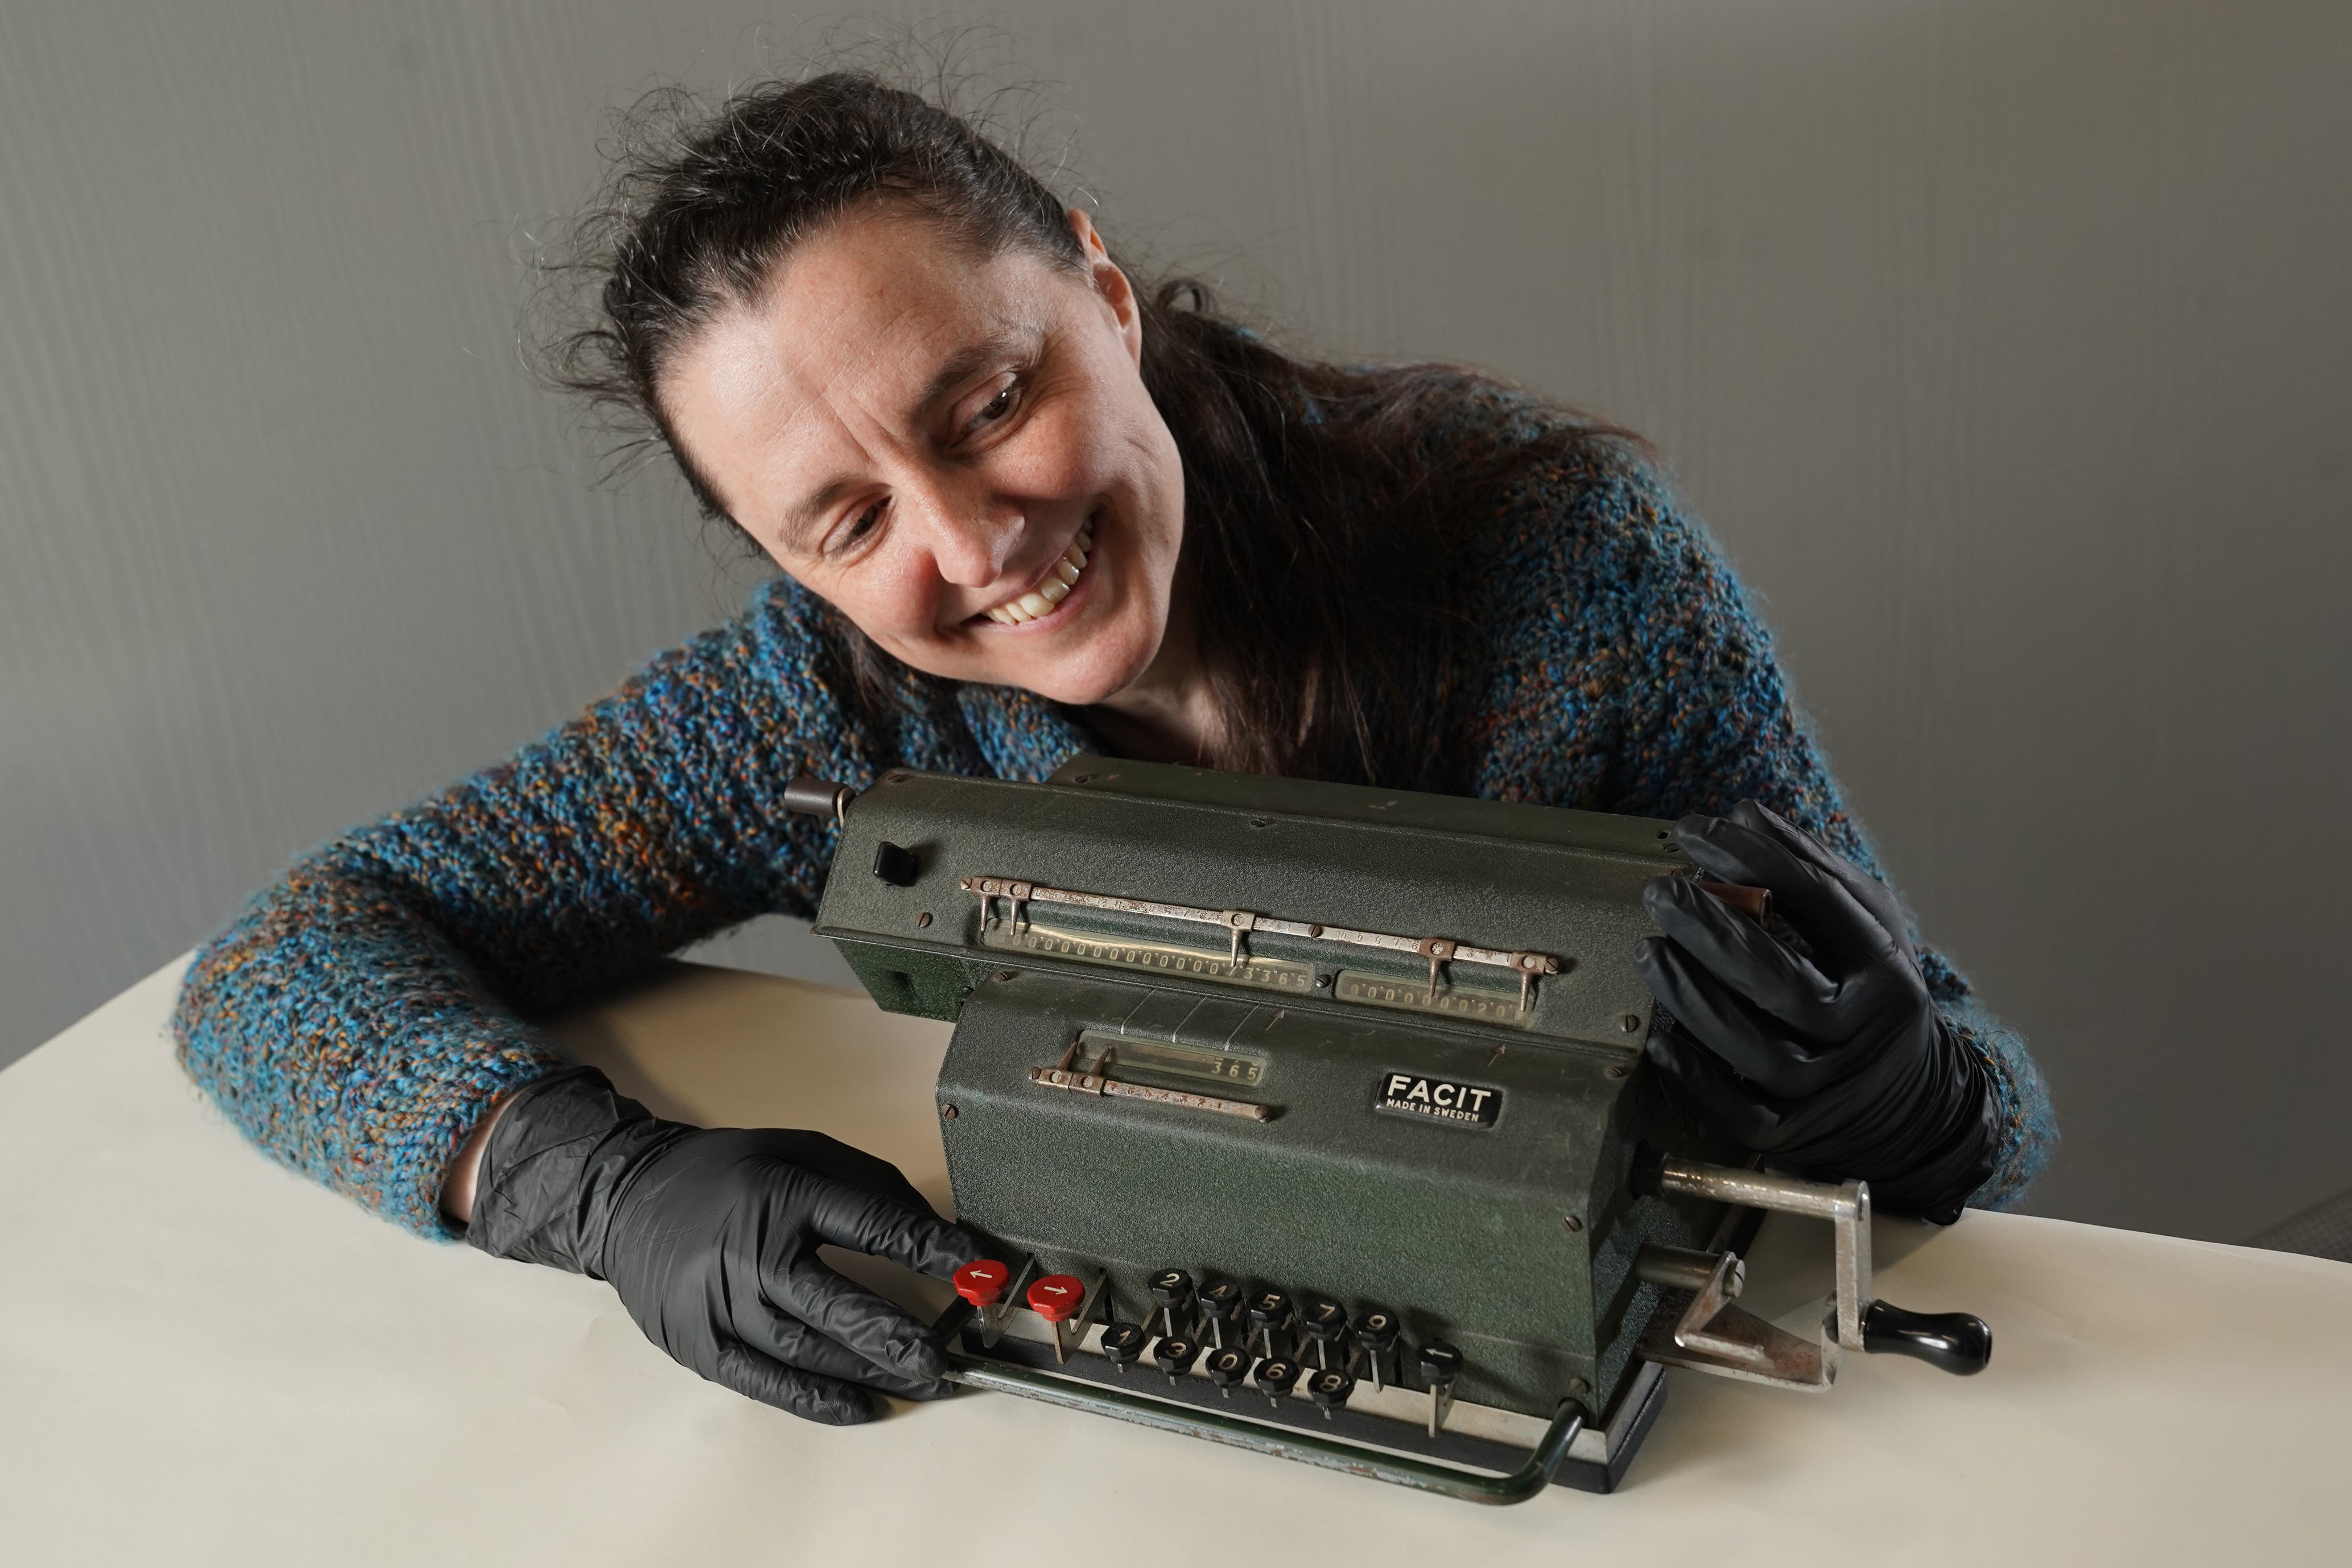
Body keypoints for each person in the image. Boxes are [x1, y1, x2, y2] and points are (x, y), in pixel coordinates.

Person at [172, 71, 2055, 1428]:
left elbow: (1995, 1113)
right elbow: (278, 964)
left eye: (991, 399)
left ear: (1102, 287)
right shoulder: (812, 700)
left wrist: (1907, 1102)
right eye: (843, 522)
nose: (972, 543)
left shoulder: (1564, 563)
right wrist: (585, 1185)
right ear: (779, 561)